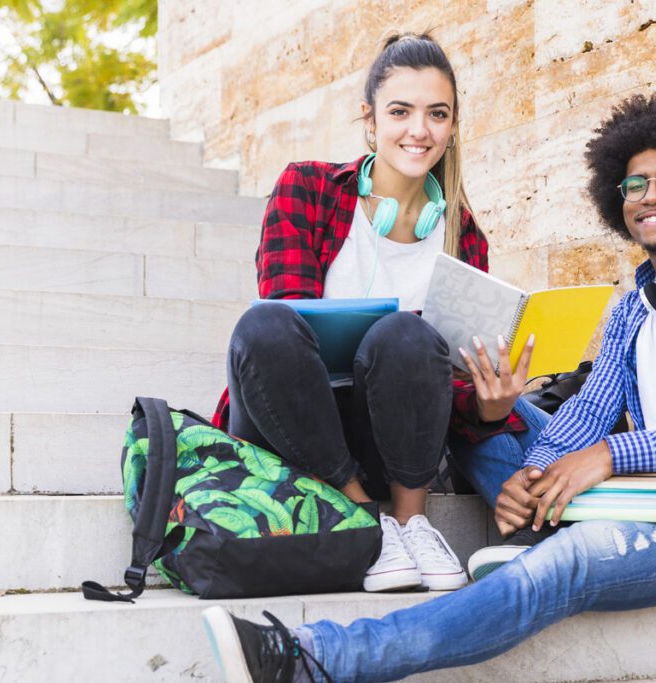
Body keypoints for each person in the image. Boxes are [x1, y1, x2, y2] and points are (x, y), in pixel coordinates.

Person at [199, 91, 656, 683]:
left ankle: (320, 656)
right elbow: (591, 410)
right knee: (485, 404)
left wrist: (606, 456)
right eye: (634, 184)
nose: (650, 195)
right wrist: (537, 466)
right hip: (654, 492)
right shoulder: (635, 303)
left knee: (561, 567)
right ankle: (525, 522)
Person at [212, 32, 541, 595]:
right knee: (264, 323)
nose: (420, 130)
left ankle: (412, 522)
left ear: (454, 124)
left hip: (387, 439)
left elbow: (446, 386)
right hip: (291, 422)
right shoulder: (307, 188)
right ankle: (365, 518)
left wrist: (489, 408)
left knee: (406, 335)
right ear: (369, 119)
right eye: (400, 111)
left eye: (437, 114)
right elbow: (283, 342)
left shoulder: (464, 239)